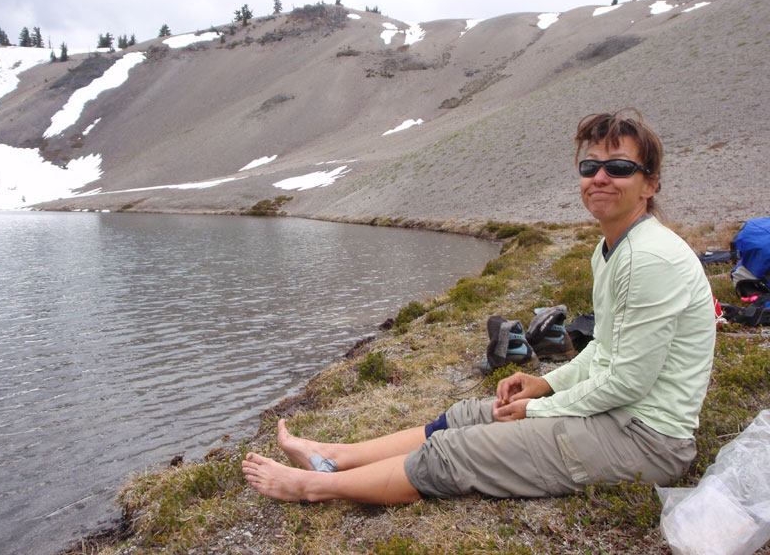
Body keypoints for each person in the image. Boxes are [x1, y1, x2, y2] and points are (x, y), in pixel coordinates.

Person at [242, 108, 716, 504]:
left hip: (647, 441)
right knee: (473, 413)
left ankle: (315, 486)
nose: (599, 178)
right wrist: (544, 382)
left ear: (649, 184)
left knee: (456, 451)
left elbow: (628, 381)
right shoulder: (612, 248)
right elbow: (606, 350)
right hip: (617, 415)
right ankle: (335, 455)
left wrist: (537, 411)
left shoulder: (650, 258)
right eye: (589, 167)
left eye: (618, 168)